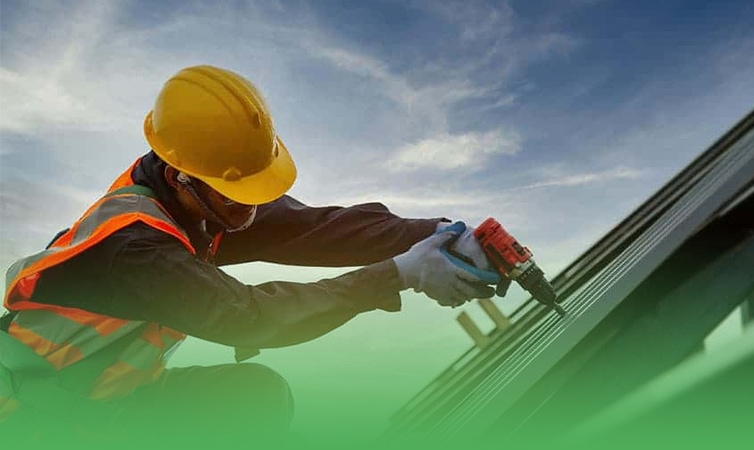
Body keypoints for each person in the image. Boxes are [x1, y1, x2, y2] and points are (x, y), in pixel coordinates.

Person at [0, 65, 501, 445]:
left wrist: (438, 234)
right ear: (181, 177)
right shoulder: (136, 247)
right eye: (237, 197)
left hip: (110, 399)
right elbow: (248, 318)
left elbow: (313, 229)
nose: (253, 210)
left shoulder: (202, 201)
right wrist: (399, 275)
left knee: (252, 397)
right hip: (30, 413)